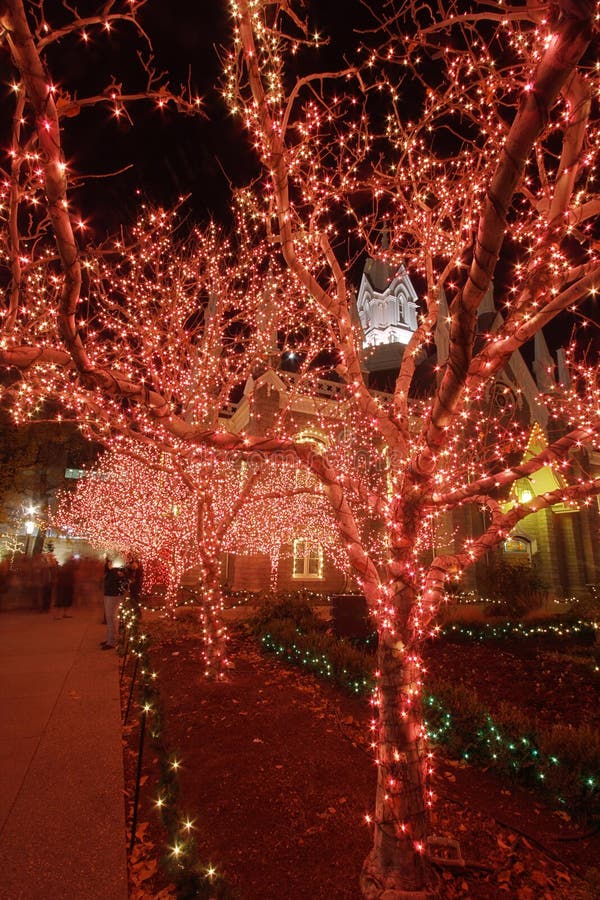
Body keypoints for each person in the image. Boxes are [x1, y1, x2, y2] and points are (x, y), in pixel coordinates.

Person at [102, 558, 126, 650]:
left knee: (111, 618)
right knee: (110, 618)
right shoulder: (112, 572)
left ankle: (112, 641)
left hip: (113, 596)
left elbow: (116, 582)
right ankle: (109, 639)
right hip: (110, 595)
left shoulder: (115, 572)